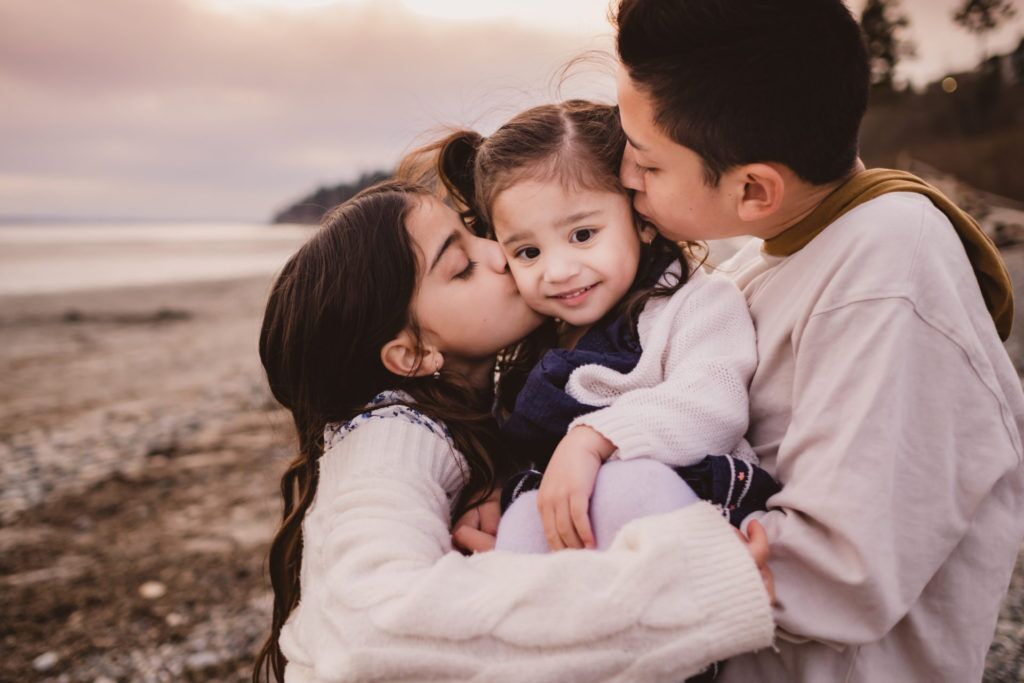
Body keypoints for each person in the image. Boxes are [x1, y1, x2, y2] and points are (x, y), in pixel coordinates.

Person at [613, 0, 1024, 681]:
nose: (624, 175)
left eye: (646, 162)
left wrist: (588, 567)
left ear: (753, 189)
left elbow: (840, 569)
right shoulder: (763, 255)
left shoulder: (891, 270)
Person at [252, 179, 775, 682]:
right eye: (462, 268)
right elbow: (370, 627)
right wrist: (692, 588)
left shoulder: (491, 405)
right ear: (412, 354)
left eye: (474, 232)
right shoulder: (388, 438)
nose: (499, 254)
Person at [431, 101, 779, 557]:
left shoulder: (695, 302)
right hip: (587, 535)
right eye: (528, 253)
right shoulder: (536, 339)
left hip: (690, 499)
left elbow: (714, 401)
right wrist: (492, 485)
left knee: (630, 481)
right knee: (521, 516)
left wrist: (593, 440)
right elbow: (521, 440)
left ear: (642, 220)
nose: (557, 270)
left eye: (582, 235)